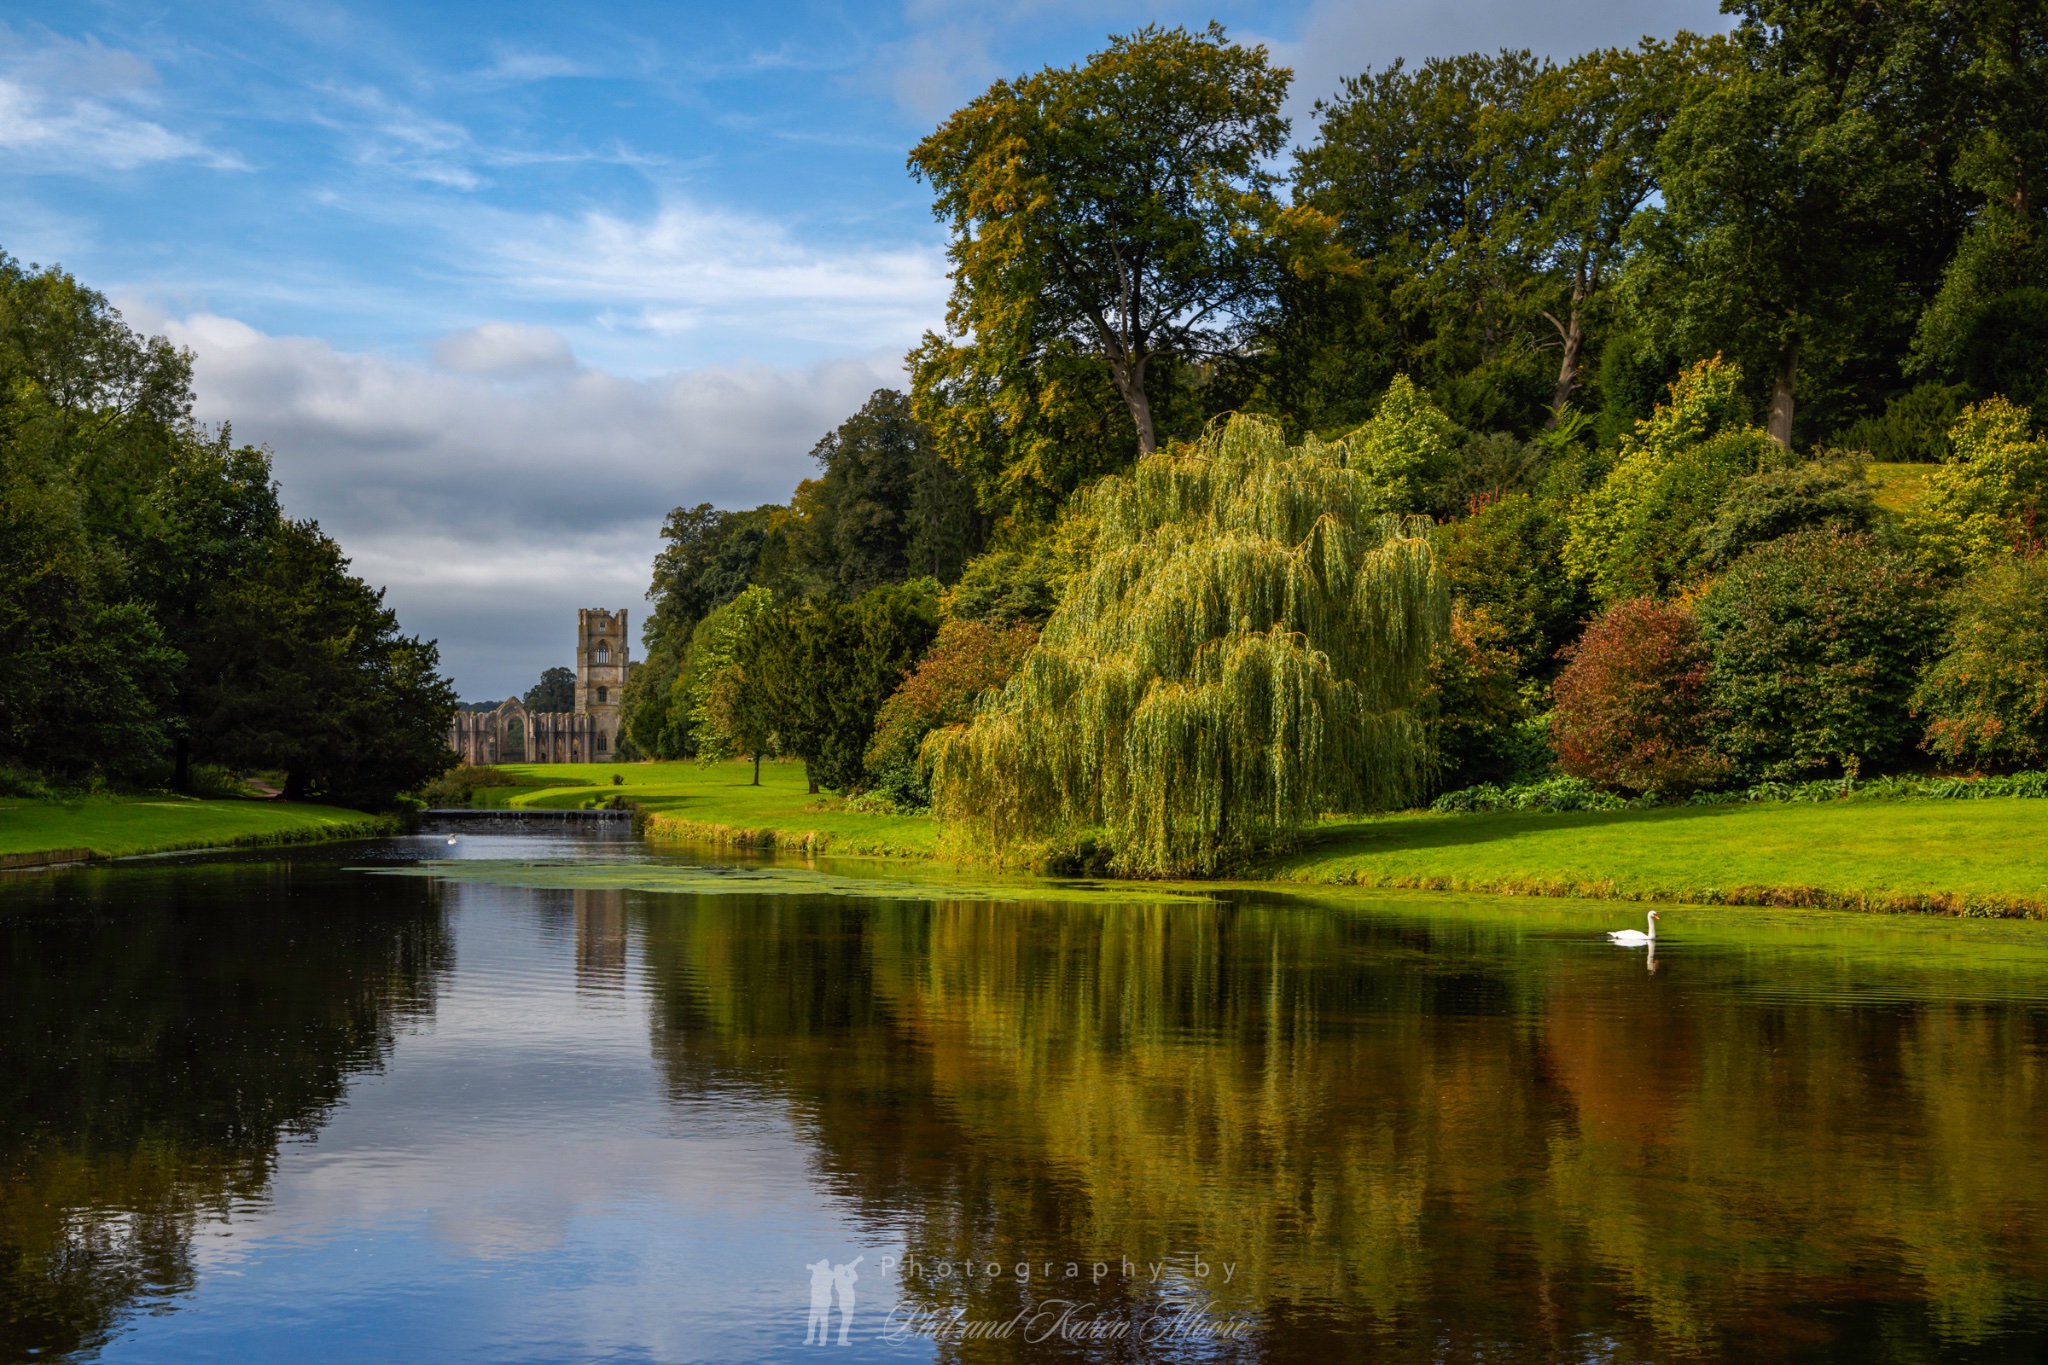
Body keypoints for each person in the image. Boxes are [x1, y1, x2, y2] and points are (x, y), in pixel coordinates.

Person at [831, 1255, 863, 1345]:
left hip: (846, 1302)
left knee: (846, 1321)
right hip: (846, 1303)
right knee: (846, 1321)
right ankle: (841, 1340)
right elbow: (854, 1278)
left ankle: (842, 1339)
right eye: (842, 1269)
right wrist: (850, 1269)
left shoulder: (839, 1279)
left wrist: (850, 1268)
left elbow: (853, 1278)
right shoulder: (841, 1280)